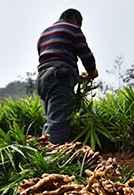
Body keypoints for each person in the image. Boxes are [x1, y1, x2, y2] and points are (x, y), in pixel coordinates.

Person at [36, 8, 99, 144]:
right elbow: (86, 55)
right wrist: (92, 72)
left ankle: (42, 152)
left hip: (43, 78)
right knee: (58, 123)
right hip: (60, 75)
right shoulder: (72, 29)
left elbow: (53, 59)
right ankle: (52, 159)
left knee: (51, 120)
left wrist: (76, 76)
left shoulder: (44, 33)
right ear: (75, 19)